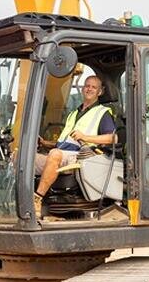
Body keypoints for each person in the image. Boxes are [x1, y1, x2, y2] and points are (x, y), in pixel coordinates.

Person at [34, 75, 116, 219]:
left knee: (55, 155)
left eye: (94, 87)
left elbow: (113, 138)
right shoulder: (73, 113)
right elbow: (64, 142)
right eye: (87, 85)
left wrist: (85, 137)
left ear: (100, 92)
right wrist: (45, 143)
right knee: (23, 157)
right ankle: (20, 199)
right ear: (83, 88)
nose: (89, 89)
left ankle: (37, 199)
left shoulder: (102, 113)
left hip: (83, 158)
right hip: (63, 154)